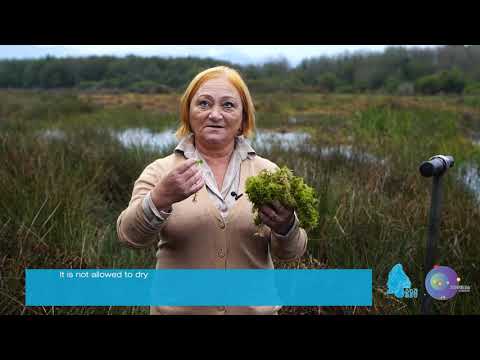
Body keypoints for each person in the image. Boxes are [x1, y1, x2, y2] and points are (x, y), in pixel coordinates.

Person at [116, 66, 308, 315]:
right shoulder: (160, 171)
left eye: (228, 105)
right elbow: (128, 236)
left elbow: (292, 253)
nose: (215, 114)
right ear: (188, 113)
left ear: (243, 118)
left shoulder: (270, 174)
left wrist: (286, 226)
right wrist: (160, 198)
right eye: (204, 104)